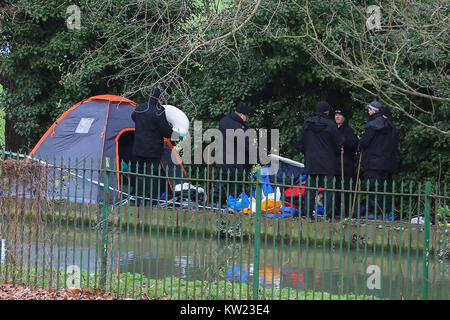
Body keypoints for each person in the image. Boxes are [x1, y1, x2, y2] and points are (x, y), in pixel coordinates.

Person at [297, 101, 342, 219]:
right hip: (328, 164)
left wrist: (307, 153)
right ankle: (330, 215)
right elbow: (338, 144)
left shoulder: (307, 124)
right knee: (329, 191)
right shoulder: (332, 126)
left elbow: (300, 141)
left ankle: (307, 214)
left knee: (310, 190)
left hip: (311, 162)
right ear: (327, 111)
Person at [131, 88, 174, 205]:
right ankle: (150, 199)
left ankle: (137, 196)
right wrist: (175, 133)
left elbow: (133, 117)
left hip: (138, 147)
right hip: (153, 150)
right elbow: (166, 131)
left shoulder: (140, 108)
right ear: (159, 99)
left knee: (139, 172)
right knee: (152, 174)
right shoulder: (158, 112)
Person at [358, 101, 398, 219]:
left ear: (374, 111)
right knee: (384, 188)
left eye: (369, 110)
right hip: (387, 163)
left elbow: (364, 142)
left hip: (373, 162)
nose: (368, 112)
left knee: (373, 188)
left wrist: (360, 145)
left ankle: (373, 213)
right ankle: (383, 213)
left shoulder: (373, 125)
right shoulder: (391, 126)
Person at [215, 102, 253, 204]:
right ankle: (224, 204)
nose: (247, 119)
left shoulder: (227, 122)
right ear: (241, 114)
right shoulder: (234, 124)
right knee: (231, 186)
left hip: (230, 161)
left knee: (225, 185)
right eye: (247, 116)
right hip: (232, 162)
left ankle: (221, 204)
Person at [333, 108, 359, 217]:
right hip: (334, 165)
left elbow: (355, 144)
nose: (337, 117)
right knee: (336, 189)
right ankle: (337, 210)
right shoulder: (332, 129)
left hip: (346, 165)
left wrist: (344, 142)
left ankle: (348, 212)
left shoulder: (348, 130)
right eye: (336, 115)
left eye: (340, 115)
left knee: (346, 189)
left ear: (344, 117)